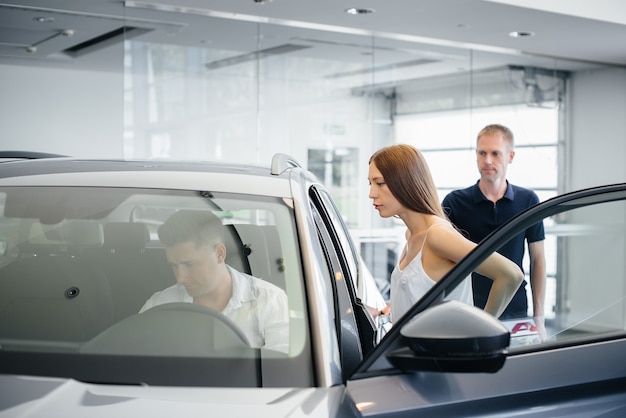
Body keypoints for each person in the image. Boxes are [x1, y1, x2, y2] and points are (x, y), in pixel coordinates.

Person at [368, 143, 524, 322]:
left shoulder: (437, 235)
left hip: (441, 349)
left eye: (380, 183)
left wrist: (481, 328)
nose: (371, 193)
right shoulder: (411, 235)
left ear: (405, 182)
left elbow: (511, 275)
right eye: (370, 183)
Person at [441, 124, 547, 340]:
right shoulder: (455, 202)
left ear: (511, 156)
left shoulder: (528, 200)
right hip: (468, 307)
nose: (487, 160)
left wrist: (539, 318)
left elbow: (538, 261)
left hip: (515, 308)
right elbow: (441, 261)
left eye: (495, 153)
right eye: (482, 153)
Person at [139, 210, 289, 353]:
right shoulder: (159, 306)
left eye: (189, 264)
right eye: (173, 265)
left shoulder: (269, 301)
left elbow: (280, 373)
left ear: (219, 254)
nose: (180, 278)